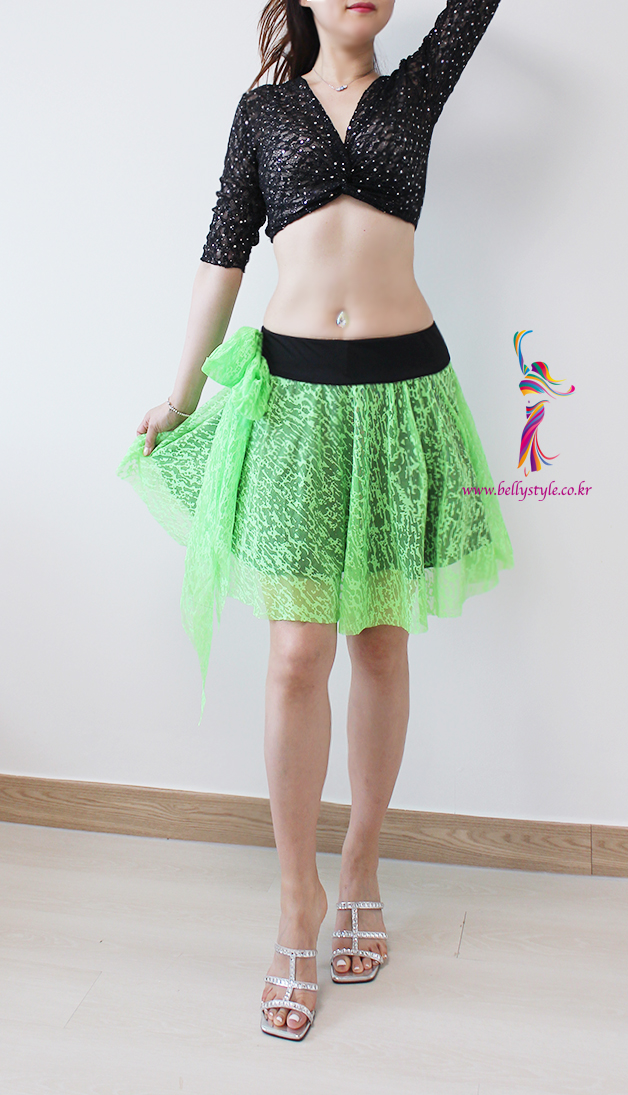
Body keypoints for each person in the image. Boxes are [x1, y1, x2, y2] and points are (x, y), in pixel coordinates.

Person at [118, 0, 513, 1041]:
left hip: (402, 400)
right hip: (292, 406)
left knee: (380, 641)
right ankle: (297, 901)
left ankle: (362, 863)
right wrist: (182, 394)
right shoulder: (263, 114)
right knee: (297, 655)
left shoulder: (416, 88)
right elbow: (223, 253)